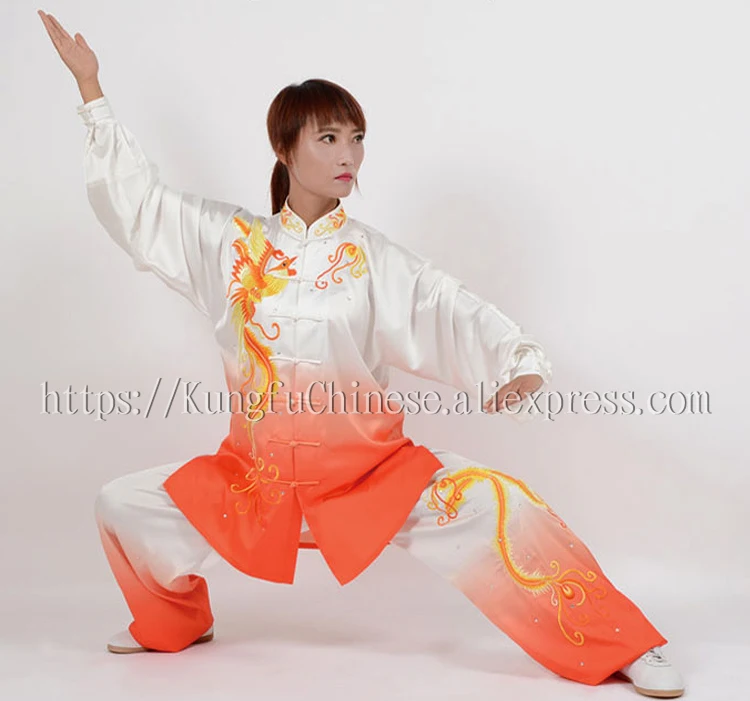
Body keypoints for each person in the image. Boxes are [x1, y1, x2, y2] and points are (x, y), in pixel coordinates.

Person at [39, 9, 685, 698]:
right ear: (285, 147)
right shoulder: (228, 244)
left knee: (505, 505)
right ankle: (174, 621)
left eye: (357, 137)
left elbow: (448, 306)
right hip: (254, 480)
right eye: (328, 137)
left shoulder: (374, 260)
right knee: (123, 503)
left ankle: (625, 645)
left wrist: (514, 364)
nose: (349, 154)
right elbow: (139, 206)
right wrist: (91, 90)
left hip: (371, 478)